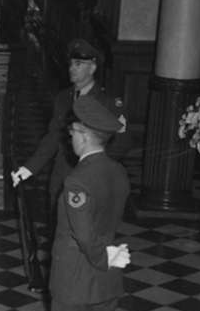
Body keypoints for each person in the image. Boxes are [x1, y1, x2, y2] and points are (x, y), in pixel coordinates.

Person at [47, 94, 131, 311]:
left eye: (72, 133)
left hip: (75, 281)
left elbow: (85, 236)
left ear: (84, 135)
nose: (70, 138)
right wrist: (108, 260)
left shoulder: (77, 180)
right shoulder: (117, 171)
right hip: (106, 281)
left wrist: (101, 257)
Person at [10, 37, 127, 218]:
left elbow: (120, 144)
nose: (72, 68)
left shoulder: (108, 103)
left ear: (93, 68)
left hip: (93, 178)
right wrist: (29, 168)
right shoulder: (63, 98)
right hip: (62, 174)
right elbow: (52, 137)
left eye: (79, 64)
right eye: (71, 63)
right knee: (58, 229)